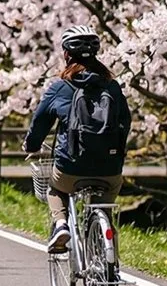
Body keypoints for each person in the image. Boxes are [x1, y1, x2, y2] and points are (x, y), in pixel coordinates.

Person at [24, 25, 131, 254]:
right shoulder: (112, 87)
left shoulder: (60, 87)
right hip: (110, 169)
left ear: (66, 54)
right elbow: (125, 123)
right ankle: (107, 260)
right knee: (104, 207)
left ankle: (61, 225)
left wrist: (31, 145)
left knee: (55, 189)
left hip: (70, 168)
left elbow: (40, 122)